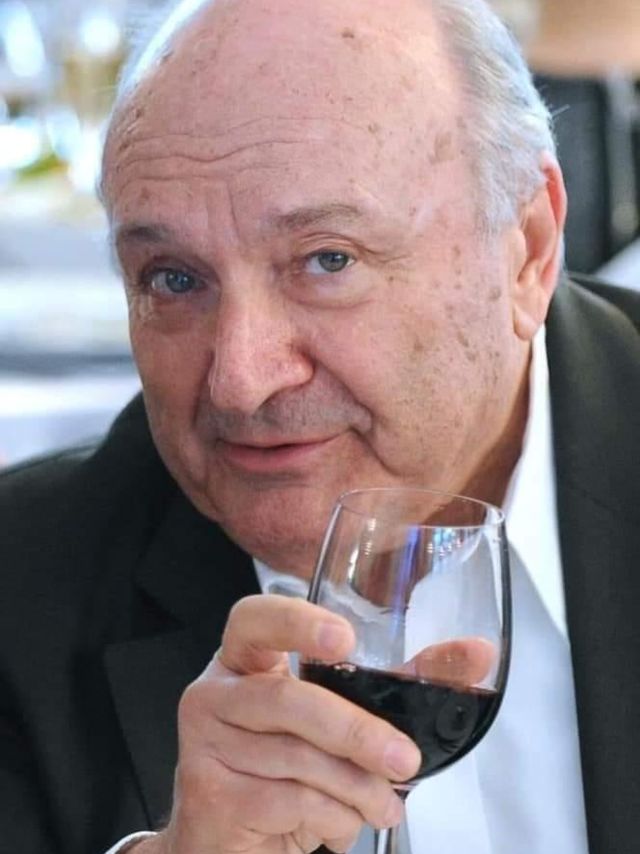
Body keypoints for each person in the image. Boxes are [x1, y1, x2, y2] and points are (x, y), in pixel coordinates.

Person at [1, 0, 640, 853]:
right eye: (174, 279)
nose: (241, 379)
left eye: (326, 260)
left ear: (526, 248)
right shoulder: (21, 594)